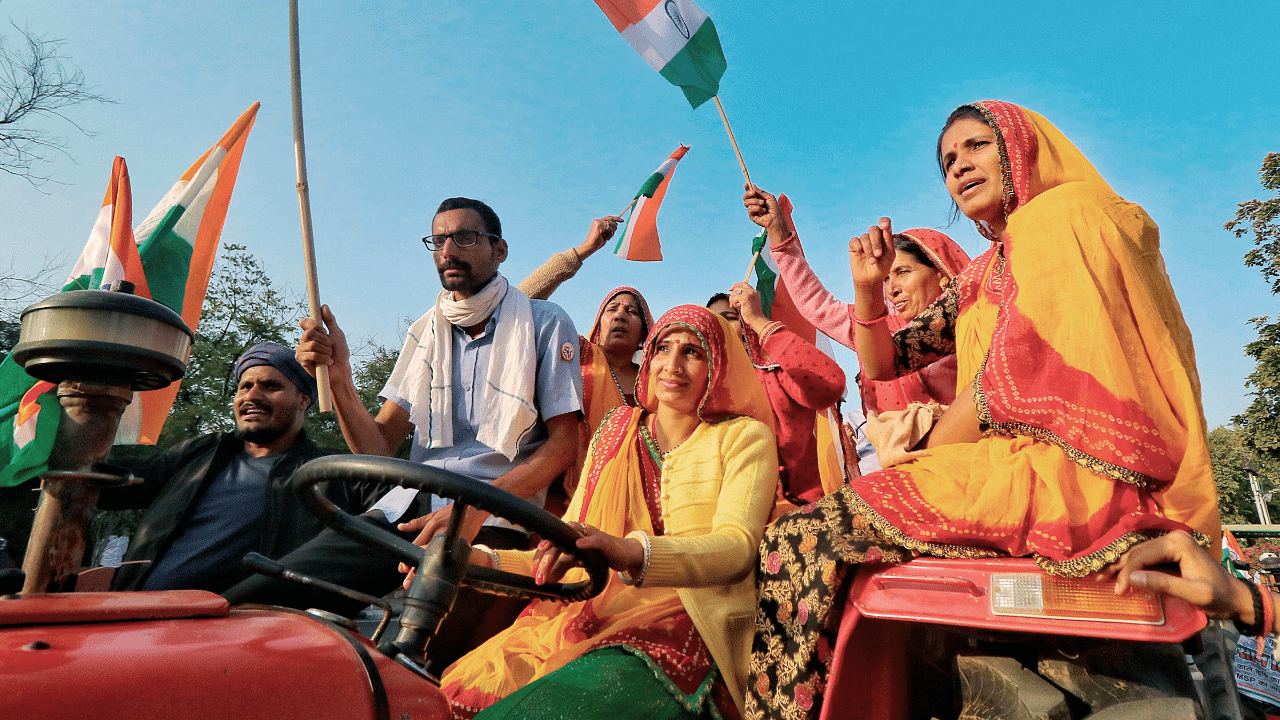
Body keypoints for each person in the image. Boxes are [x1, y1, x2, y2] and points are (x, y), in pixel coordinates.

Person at [746, 101, 1222, 720]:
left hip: (1069, 471)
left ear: (1020, 147)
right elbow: (889, 358)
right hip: (1002, 463)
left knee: (797, 539)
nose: (959, 167)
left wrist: (919, 463)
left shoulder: (1060, 219)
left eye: (976, 147)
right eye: (948, 161)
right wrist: (866, 287)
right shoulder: (985, 274)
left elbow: (1010, 377)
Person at [226, 197, 583, 672]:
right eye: (438, 240)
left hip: (497, 520)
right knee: (253, 605)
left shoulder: (544, 322)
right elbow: (379, 446)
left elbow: (564, 445)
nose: (448, 250)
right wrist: (340, 375)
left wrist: (479, 508)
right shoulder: (424, 332)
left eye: (465, 238)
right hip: (407, 510)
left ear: (500, 251)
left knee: (417, 665)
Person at [440, 305, 779, 720]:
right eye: (664, 347)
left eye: (693, 352)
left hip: (688, 621)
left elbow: (737, 549)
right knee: (447, 696)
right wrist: (477, 560)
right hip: (590, 614)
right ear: (648, 356)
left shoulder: (744, 437)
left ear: (719, 366)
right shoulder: (617, 432)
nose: (673, 364)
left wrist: (630, 552)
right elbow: (564, 548)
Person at [101, 342, 383, 593]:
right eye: (244, 387)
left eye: (271, 386)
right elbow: (110, 483)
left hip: (246, 635)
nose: (251, 396)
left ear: (303, 399)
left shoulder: (329, 473)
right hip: (136, 619)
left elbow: (401, 507)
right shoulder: (200, 455)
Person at [741, 187, 971, 469]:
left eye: (903, 272)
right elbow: (816, 304)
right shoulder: (877, 331)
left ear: (942, 272)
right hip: (897, 470)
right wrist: (778, 231)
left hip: (971, 461)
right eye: (885, 280)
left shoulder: (978, 322)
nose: (892, 290)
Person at [708, 286, 845, 503]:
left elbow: (829, 384)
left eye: (730, 317)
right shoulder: (702, 393)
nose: (721, 326)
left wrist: (757, 319)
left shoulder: (776, 373)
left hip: (805, 508)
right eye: (713, 322)